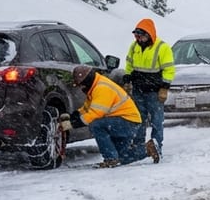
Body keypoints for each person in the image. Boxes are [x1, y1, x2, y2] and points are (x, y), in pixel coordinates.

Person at [59, 65, 147, 168]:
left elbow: (95, 114)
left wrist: (72, 124)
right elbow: (87, 108)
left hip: (127, 122)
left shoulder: (102, 88)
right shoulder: (95, 86)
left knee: (96, 125)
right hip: (126, 122)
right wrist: (72, 116)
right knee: (123, 156)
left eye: (81, 85)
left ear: (87, 81)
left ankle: (111, 159)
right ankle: (147, 150)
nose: (81, 88)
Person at [124, 18, 173, 163]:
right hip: (138, 89)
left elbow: (169, 70)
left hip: (155, 91)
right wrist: (127, 79)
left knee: (157, 121)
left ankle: (156, 146)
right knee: (139, 119)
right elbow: (129, 65)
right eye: (137, 36)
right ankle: (140, 148)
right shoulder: (134, 47)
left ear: (149, 34)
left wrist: (164, 88)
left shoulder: (162, 48)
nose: (138, 39)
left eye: (141, 36)